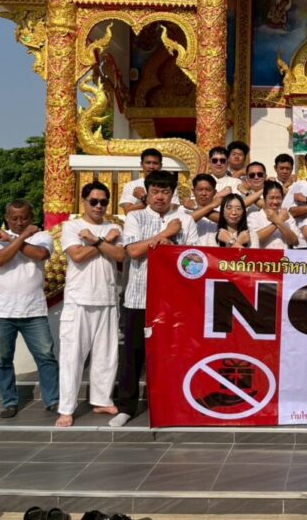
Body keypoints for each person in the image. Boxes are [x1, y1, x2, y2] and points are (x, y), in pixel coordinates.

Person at [110, 170, 199, 427]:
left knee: (173, 355)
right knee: (133, 355)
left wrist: (171, 247)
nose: (160, 197)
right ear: (147, 193)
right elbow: (134, 251)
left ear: (173, 194)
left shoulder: (185, 220)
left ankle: (172, 404)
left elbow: (193, 259)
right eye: (155, 191)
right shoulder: (135, 217)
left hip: (174, 300)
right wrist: (165, 235)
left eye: (165, 192)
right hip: (139, 297)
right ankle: (126, 407)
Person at [56, 181, 125, 427]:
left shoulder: (114, 228)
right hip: (79, 300)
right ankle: (66, 408)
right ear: (83, 201)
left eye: (103, 202)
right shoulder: (72, 226)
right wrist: (104, 242)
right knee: (72, 356)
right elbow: (77, 255)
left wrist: (95, 240)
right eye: (93, 201)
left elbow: (120, 255)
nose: (98, 206)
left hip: (107, 298)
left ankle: (102, 400)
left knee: (107, 355)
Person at [0, 200, 59, 419]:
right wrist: (21, 237)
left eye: (24, 218)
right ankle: (9, 402)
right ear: (7, 218)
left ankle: (52, 400)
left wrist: (13, 240)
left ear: (31, 217)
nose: (19, 222)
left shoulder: (43, 237)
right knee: (2, 359)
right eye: (14, 218)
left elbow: (40, 255)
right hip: (1, 311)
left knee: (46, 356)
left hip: (33, 310)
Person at [119, 148, 180, 214]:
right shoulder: (131, 185)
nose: (151, 166)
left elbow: (171, 208)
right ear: (141, 164)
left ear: (161, 165)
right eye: (148, 163)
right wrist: (152, 202)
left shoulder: (168, 184)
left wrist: (144, 198)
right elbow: (128, 211)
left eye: (155, 163)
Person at [249, 180, 302, 249]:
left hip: (283, 255)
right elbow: (254, 239)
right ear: (264, 199)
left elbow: (295, 241)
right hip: (262, 255)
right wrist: (279, 220)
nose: (275, 201)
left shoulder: (287, 216)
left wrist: (278, 221)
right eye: (272, 198)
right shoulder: (254, 216)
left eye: (278, 198)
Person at [190, 173, 220, 244]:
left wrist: (196, 207)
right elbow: (187, 220)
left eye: (208, 190)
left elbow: (226, 220)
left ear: (215, 192)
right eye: (200, 189)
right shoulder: (184, 209)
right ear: (193, 191)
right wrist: (211, 206)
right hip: (191, 250)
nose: (204, 193)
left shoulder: (222, 209)